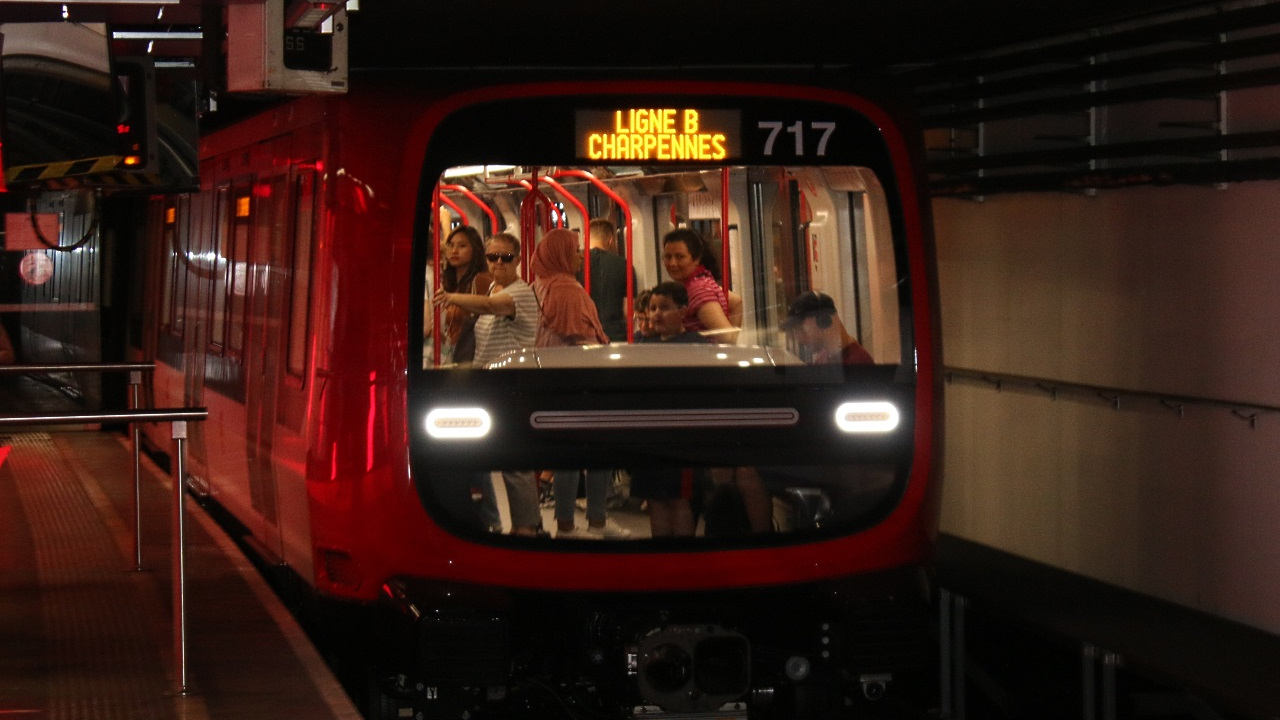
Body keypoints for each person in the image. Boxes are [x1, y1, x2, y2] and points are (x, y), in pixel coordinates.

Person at [432, 233, 543, 536]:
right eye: (493, 257)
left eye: (505, 258)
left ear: (518, 260)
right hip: (490, 385)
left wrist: (451, 297)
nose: (497, 263)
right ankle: (489, 518)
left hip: (512, 385)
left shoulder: (519, 292)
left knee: (514, 462)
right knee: (489, 457)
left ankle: (526, 528)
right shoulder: (495, 285)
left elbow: (491, 306)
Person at [531, 228, 630, 539]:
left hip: (556, 379)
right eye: (573, 251)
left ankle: (571, 523)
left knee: (570, 454)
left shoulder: (543, 285)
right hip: (579, 379)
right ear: (560, 255)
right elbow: (582, 336)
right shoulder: (565, 290)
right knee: (593, 452)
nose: (578, 256)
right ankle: (586, 523)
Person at [629, 283, 710, 537]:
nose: (656, 314)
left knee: (678, 498)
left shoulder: (696, 345)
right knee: (655, 498)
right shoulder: (642, 345)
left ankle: (683, 559)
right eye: (652, 308)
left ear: (683, 312)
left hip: (679, 436)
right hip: (648, 434)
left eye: (664, 308)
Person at [660, 228, 736, 342]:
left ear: (696, 259)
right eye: (668, 257)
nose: (672, 263)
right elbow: (737, 302)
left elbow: (727, 337)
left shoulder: (699, 290)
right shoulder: (699, 282)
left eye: (680, 257)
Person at [438, 225, 493, 365]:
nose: (454, 251)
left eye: (462, 246)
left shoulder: (481, 280)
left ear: (475, 250)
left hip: (472, 355)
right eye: (451, 245)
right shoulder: (450, 283)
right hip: (451, 352)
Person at [578, 218, 637, 343]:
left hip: (584, 333)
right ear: (611, 240)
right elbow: (628, 311)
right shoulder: (624, 265)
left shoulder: (576, 264)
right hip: (615, 334)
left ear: (584, 238)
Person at [780, 291, 875, 365]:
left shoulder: (857, 363)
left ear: (823, 321)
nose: (798, 338)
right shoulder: (826, 358)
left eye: (801, 329)